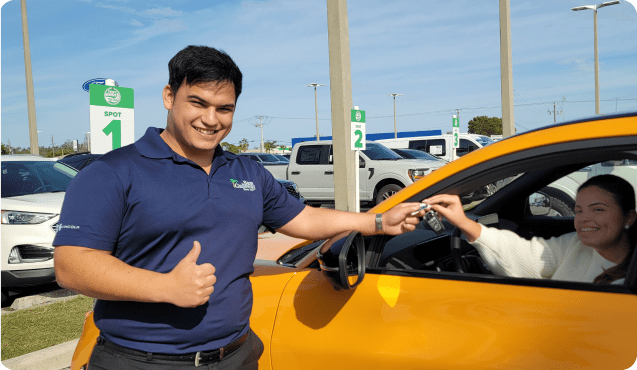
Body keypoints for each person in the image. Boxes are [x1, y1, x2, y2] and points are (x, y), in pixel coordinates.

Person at [53, 45, 426, 370]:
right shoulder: (113, 172)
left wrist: (377, 220)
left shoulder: (245, 170)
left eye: (224, 108)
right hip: (141, 360)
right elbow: (72, 265)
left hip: (236, 355)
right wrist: (164, 286)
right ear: (169, 96)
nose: (211, 119)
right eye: (197, 103)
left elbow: (303, 217)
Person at [425, 174, 636, 284]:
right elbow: (527, 256)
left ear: (629, 217)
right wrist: (463, 222)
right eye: (579, 211)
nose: (584, 219)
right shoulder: (575, 245)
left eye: (598, 209)